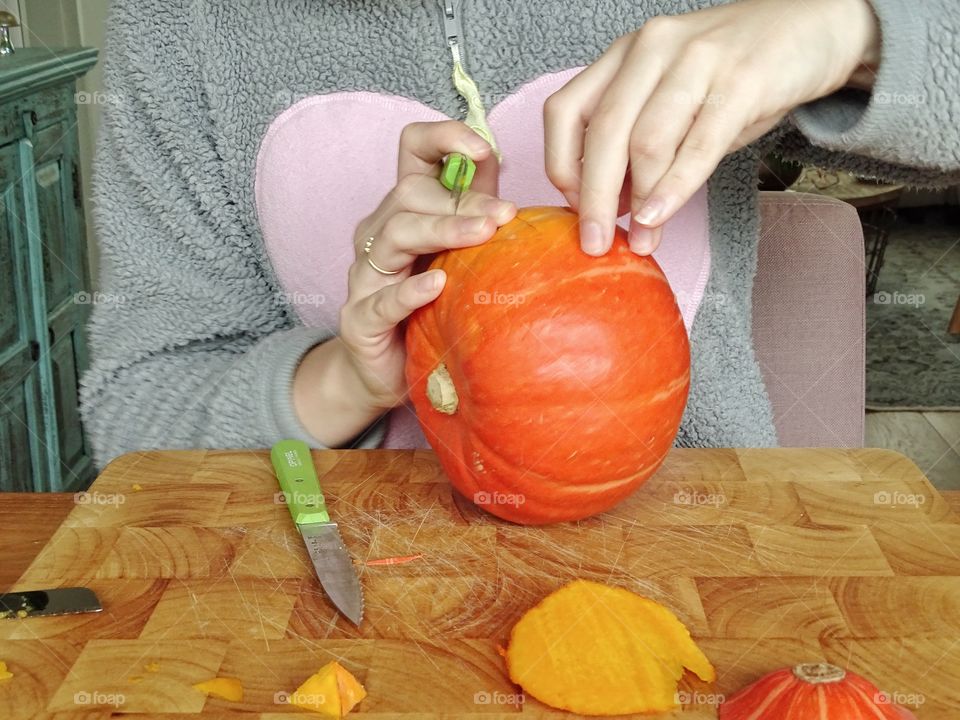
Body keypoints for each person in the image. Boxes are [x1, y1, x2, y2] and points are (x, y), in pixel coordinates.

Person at [81, 0, 960, 467]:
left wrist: (854, 33)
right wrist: (346, 379)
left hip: (704, 567)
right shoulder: (175, 23)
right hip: (336, 595)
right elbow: (132, 420)